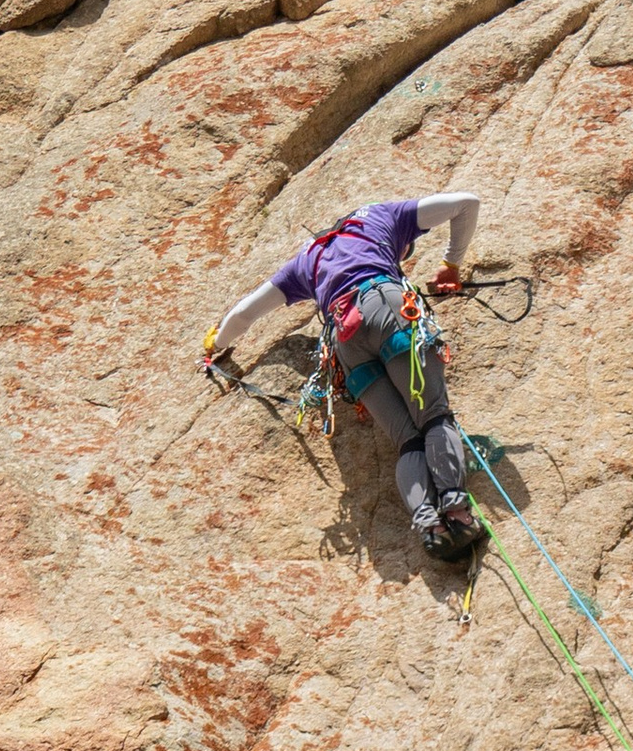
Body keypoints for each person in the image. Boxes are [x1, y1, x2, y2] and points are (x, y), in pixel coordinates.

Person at [204, 188, 485, 560]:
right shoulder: (383, 217)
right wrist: (451, 264)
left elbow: (243, 314)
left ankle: (430, 527)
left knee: (407, 438)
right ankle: (457, 513)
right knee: (433, 414)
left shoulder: (305, 261)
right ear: (403, 247)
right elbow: (468, 202)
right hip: (387, 306)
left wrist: (215, 343)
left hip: (345, 340)